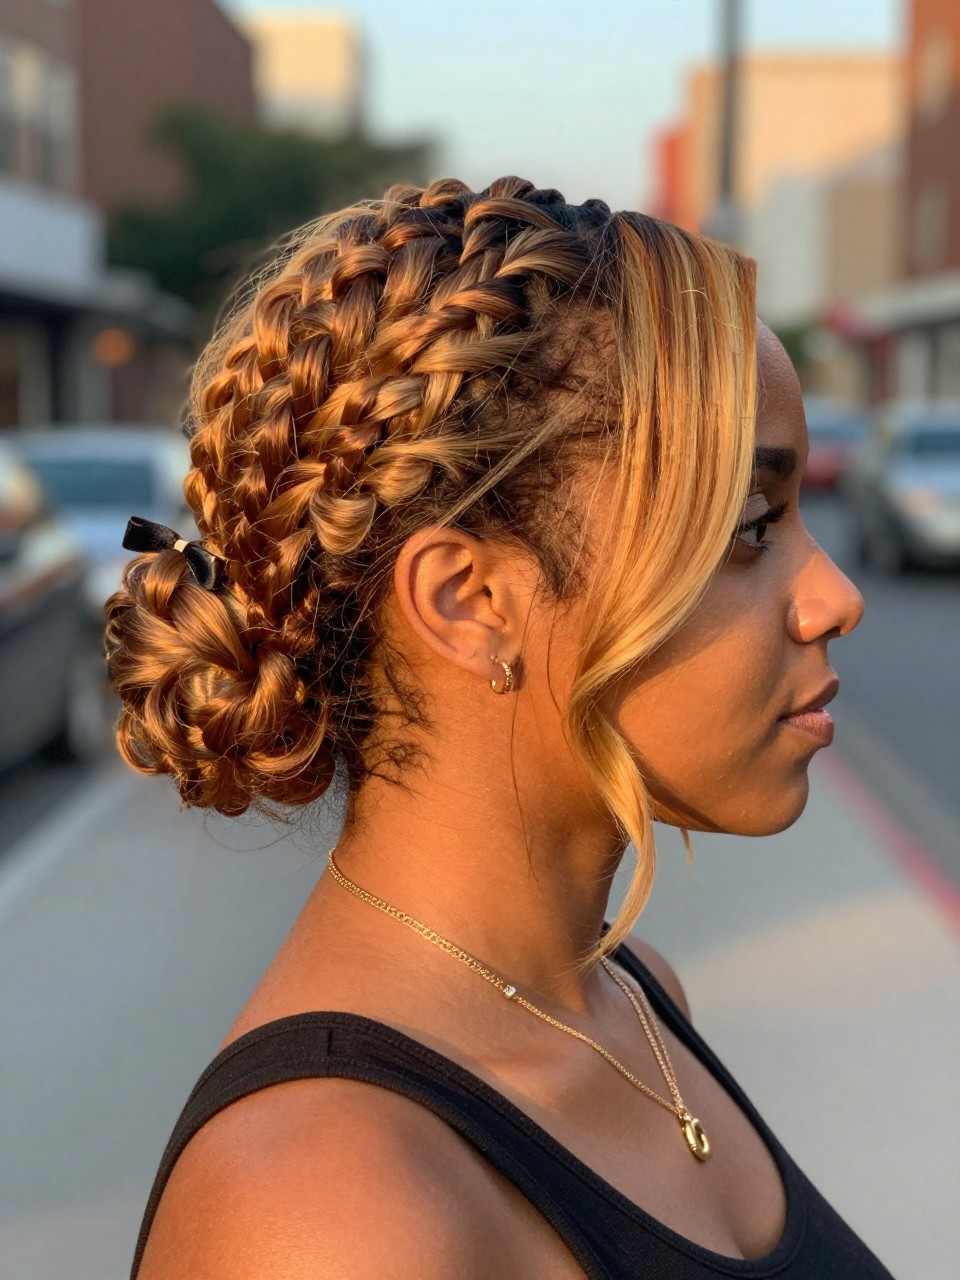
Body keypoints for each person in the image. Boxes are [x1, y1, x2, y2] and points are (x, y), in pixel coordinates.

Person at [105, 176, 890, 1279]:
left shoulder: (637, 997)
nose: (834, 595)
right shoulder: (328, 1209)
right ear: (471, 603)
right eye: (749, 528)